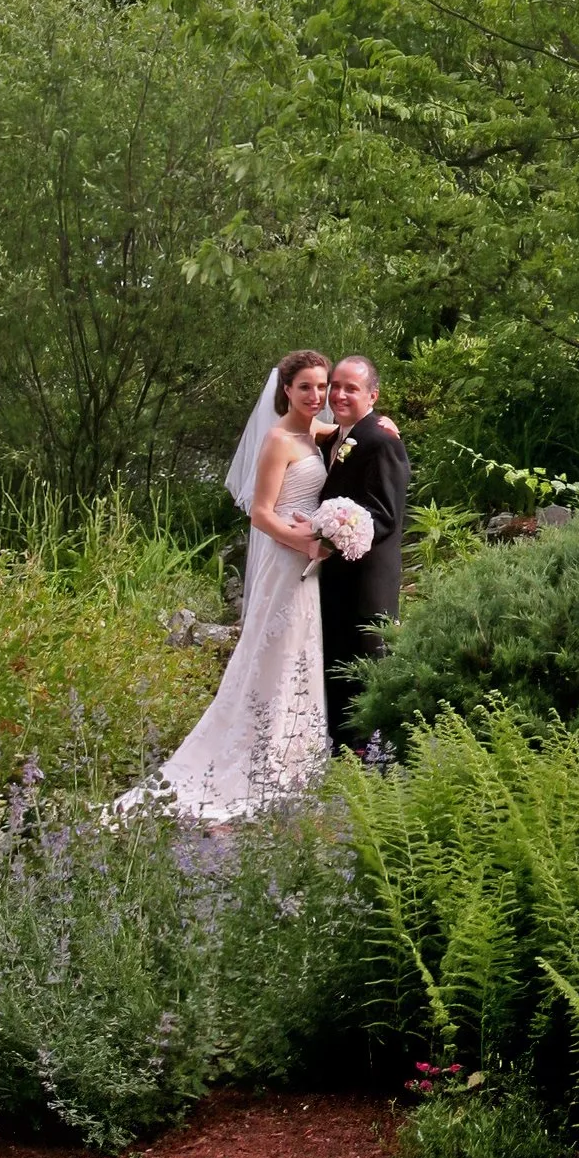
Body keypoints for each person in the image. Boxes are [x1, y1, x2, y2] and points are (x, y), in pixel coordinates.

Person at [116, 349, 336, 820]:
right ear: (286, 390)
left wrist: (382, 424)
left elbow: (349, 430)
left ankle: (294, 754)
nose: (316, 395)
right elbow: (260, 512)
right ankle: (260, 757)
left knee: (299, 648)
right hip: (286, 559)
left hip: (307, 558)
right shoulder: (279, 439)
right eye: (305, 387)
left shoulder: (315, 431)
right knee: (275, 646)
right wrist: (304, 541)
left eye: (322, 386)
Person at [317, 356, 408, 748]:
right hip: (336, 579)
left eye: (350, 388)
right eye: (334, 385)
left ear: (372, 394)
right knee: (339, 667)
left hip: (367, 582)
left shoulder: (382, 440)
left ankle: (375, 759)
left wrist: (329, 531)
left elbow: (384, 515)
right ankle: (345, 752)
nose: (338, 394)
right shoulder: (335, 438)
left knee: (367, 669)